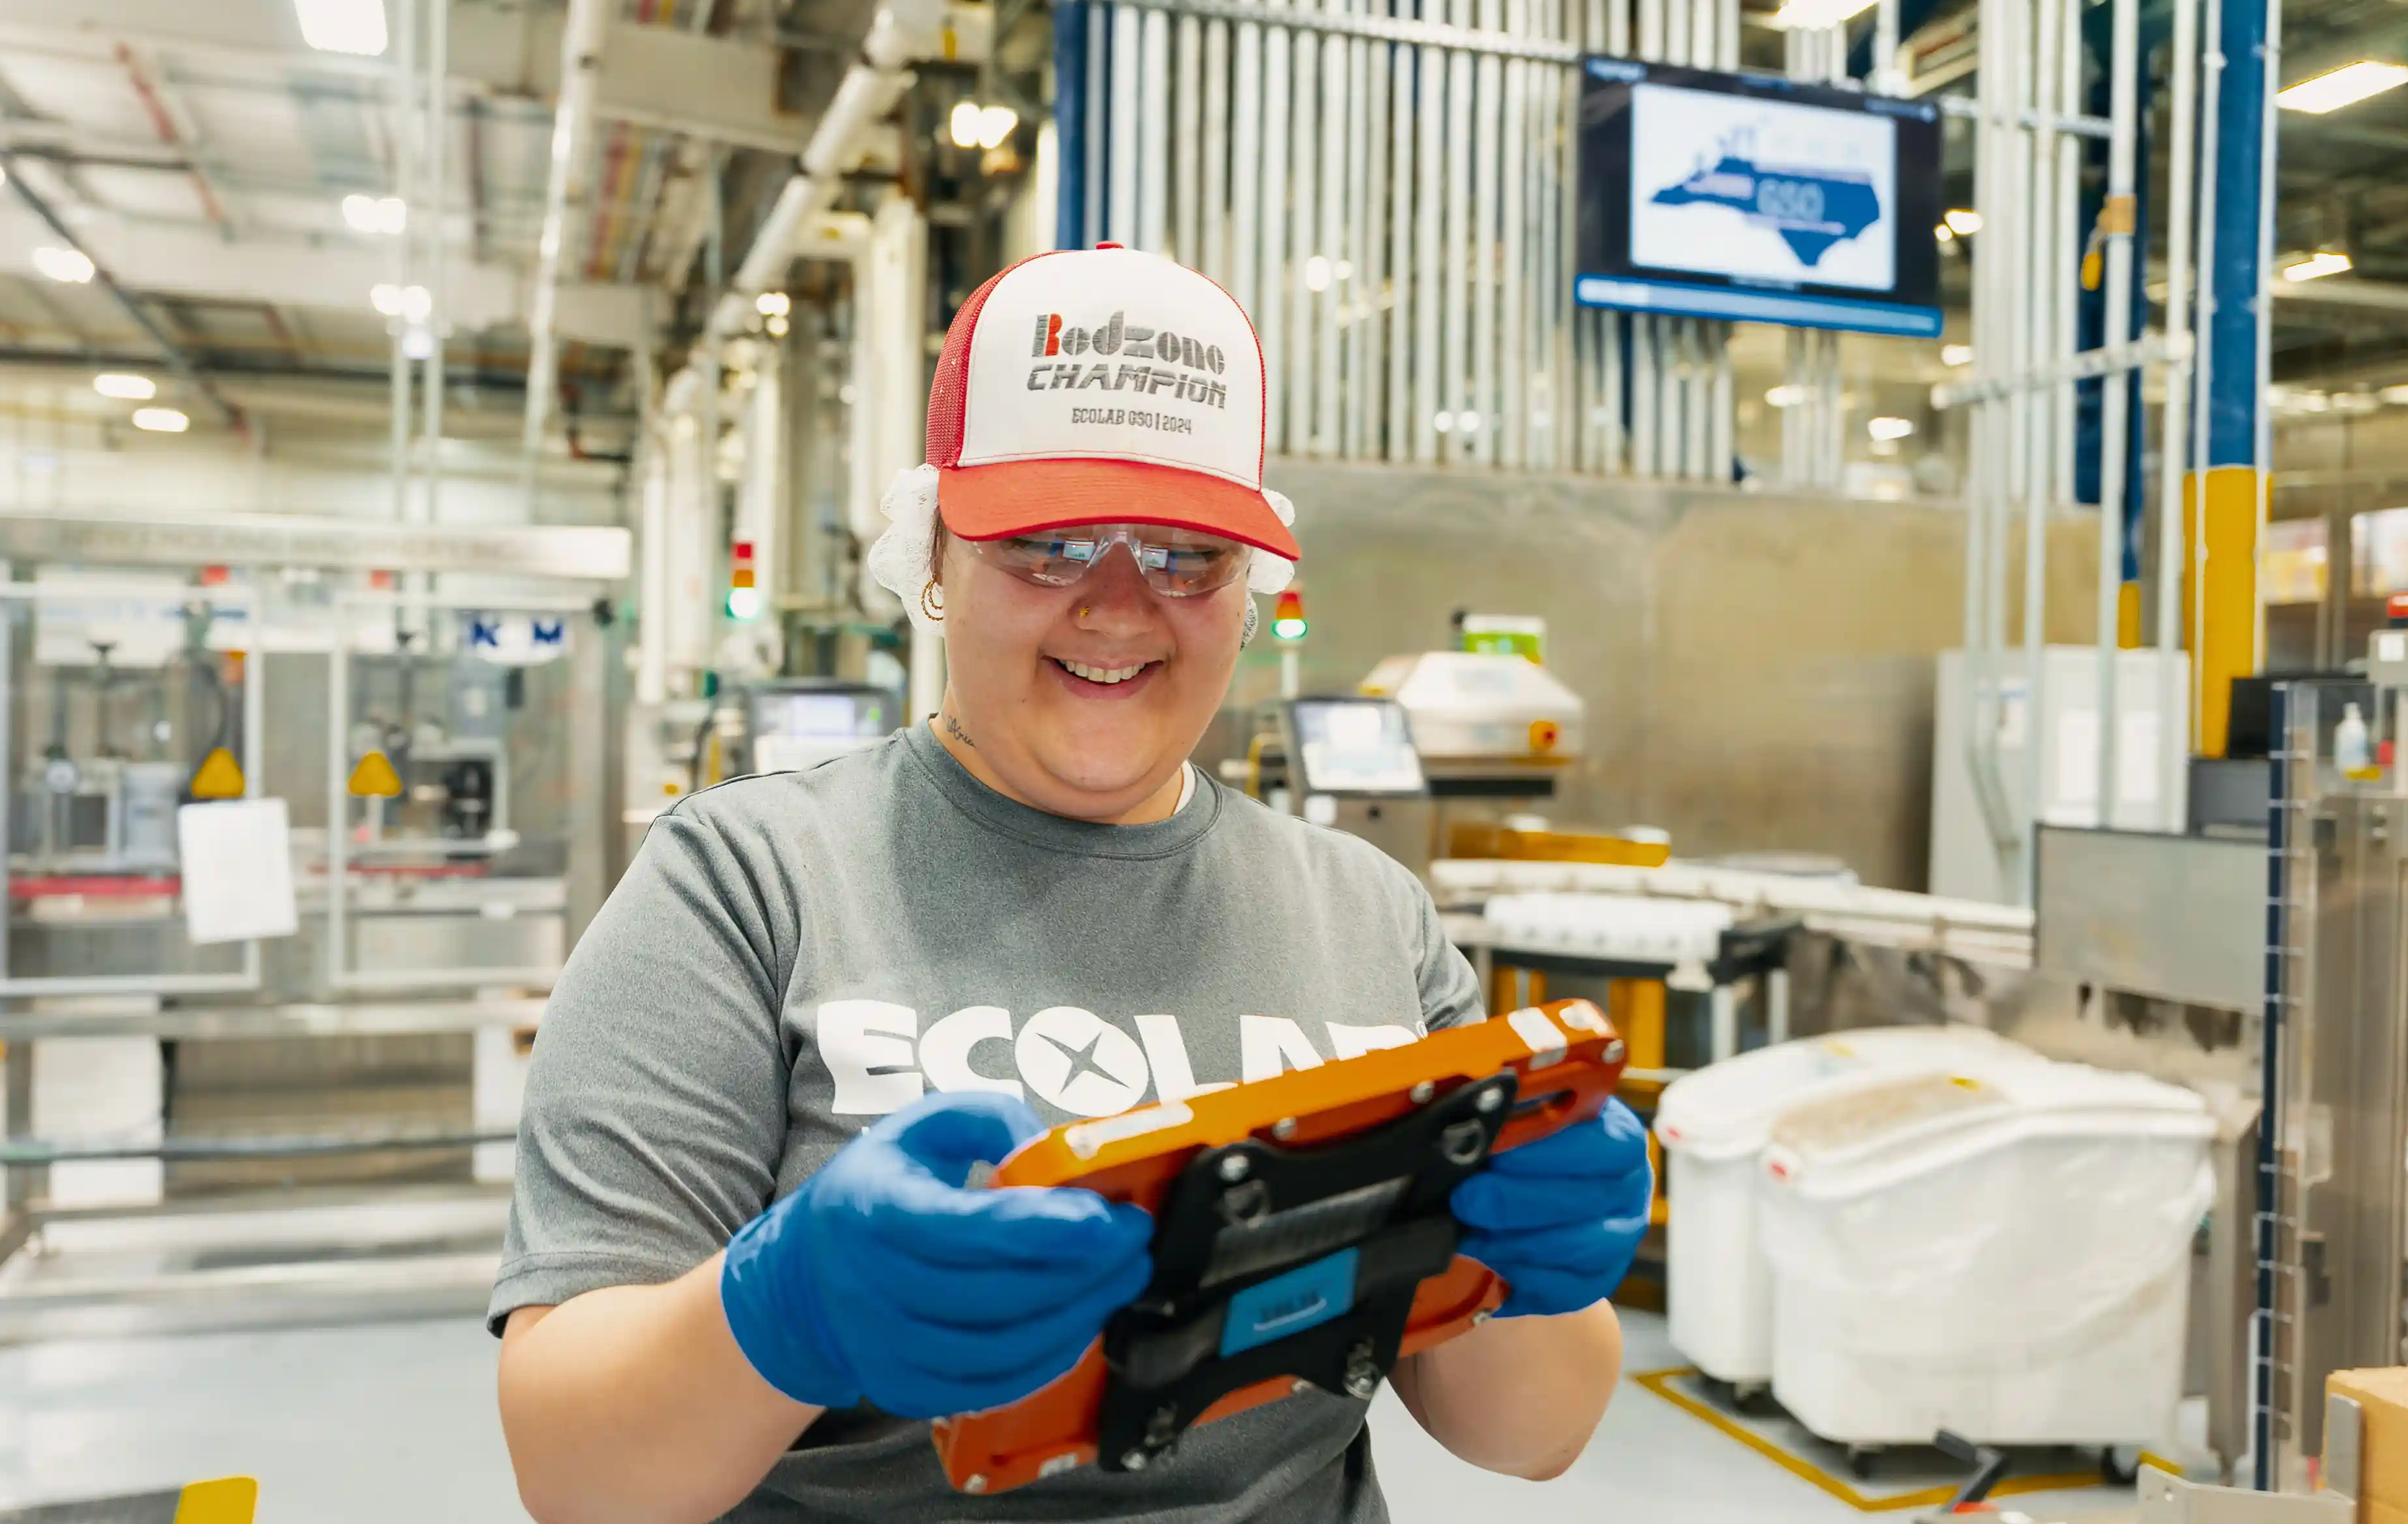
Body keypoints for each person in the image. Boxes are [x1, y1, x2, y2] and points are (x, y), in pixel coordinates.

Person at [493, 243, 1652, 1524]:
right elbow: (573, 1474)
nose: (1116, 609)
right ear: (932, 557)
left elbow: (1531, 1437)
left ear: (1252, 593)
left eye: (1184, 556)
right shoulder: (746, 884)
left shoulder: (1365, 911)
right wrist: (781, 1311)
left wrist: (1511, 1269)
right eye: (1045, 544)